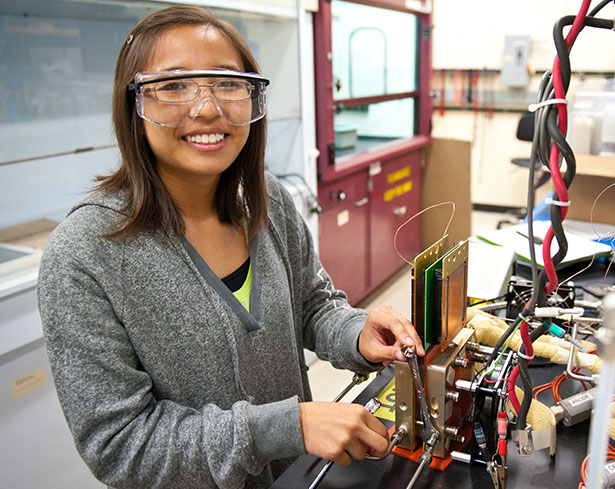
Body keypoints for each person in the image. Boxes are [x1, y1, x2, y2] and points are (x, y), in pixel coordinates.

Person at [37, 6, 423, 489]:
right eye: (174, 87)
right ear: (135, 106)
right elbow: (121, 446)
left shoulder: (265, 199)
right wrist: (287, 427)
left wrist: (355, 332)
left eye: (227, 83)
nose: (207, 108)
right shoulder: (84, 255)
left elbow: (312, 305)